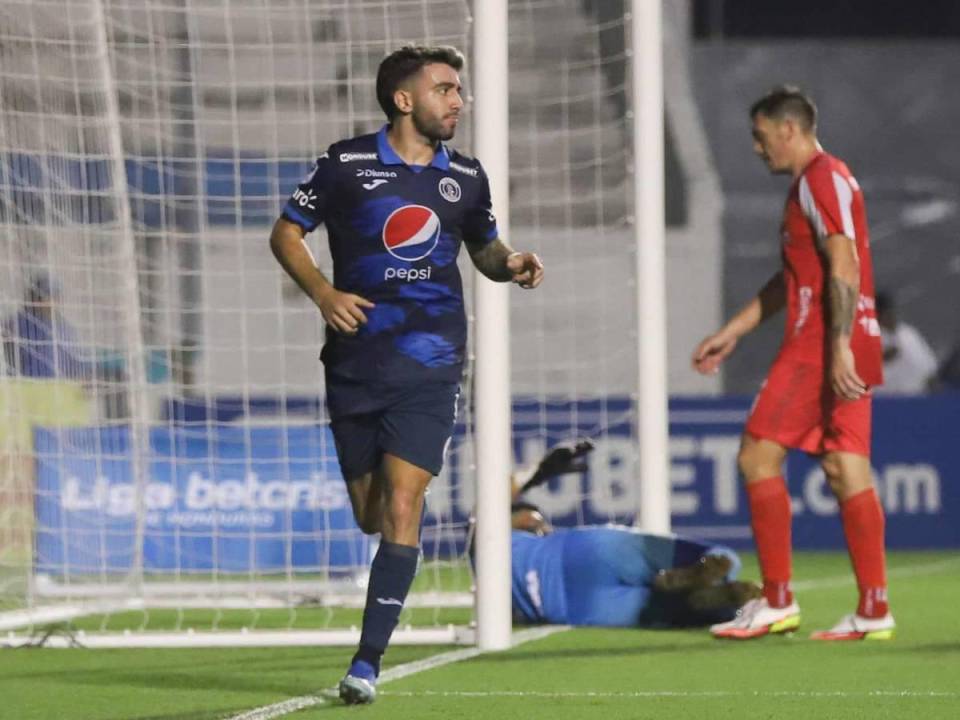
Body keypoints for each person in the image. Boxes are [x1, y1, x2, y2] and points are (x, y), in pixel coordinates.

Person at [269, 45, 543, 704]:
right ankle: (375, 628)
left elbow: (483, 247)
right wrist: (324, 293)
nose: (458, 100)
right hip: (357, 361)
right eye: (445, 89)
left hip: (431, 361)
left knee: (403, 502)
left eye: (458, 90)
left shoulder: (468, 176)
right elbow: (285, 234)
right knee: (371, 513)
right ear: (404, 100)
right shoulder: (345, 163)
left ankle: (366, 662)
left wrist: (511, 263)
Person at [692, 86, 894, 641]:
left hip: (820, 344)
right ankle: (874, 608)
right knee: (844, 467)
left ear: (788, 129)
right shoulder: (824, 182)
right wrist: (734, 330)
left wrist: (837, 345)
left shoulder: (820, 177)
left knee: (757, 456)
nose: (758, 150)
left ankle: (777, 601)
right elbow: (795, 278)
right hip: (853, 337)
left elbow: (843, 261)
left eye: (760, 138)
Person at [498, 441, 761, 629]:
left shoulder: (493, 549)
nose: (541, 523)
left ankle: (722, 599)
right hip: (586, 550)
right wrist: (535, 471)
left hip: (571, 606)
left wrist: (534, 475)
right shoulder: (509, 537)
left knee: (673, 611)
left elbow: (487, 505)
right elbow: (493, 498)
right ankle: (714, 571)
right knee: (704, 556)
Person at [2, 273, 89, 380]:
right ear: (35, 299)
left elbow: (77, 363)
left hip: (58, 388)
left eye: (56, 298)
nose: (53, 302)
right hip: (26, 388)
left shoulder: (65, 328)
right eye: (48, 297)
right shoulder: (17, 324)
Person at [873, 291, 937, 395]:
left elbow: (929, 366)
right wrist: (881, 358)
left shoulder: (908, 334)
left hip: (915, 397)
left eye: (889, 312)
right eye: (883, 313)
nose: (888, 316)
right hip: (882, 401)